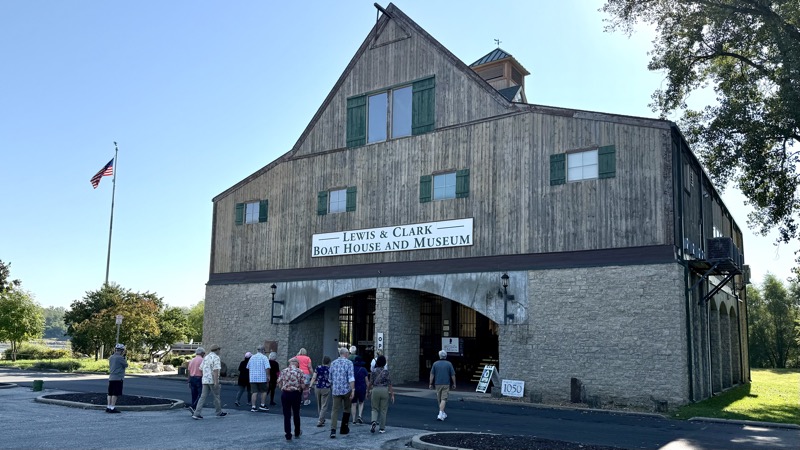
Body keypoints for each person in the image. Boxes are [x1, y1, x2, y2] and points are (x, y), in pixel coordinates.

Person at [193, 344, 227, 419]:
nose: (219, 351)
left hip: (205, 380)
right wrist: (216, 382)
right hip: (212, 380)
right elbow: (216, 370)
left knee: (202, 397)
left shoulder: (206, 357)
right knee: (216, 397)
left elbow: (201, 368)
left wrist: (205, 375)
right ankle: (219, 412)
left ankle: (196, 413)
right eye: (219, 349)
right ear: (217, 350)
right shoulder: (216, 358)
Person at [277, 357, 306, 440]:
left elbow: (279, 383)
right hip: (296, 394)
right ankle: (297, 431)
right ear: (297, 364)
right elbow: (303, 385)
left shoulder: (284, 371)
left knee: (287, 415)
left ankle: (288, 434)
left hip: (285, 394)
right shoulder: (300, 372)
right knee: (296, 413)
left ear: (290, 363)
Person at [328, 346, 355, 439]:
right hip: (346, 389)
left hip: (336, 390)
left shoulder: (333, 363)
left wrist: (333, 386)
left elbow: (330, 378)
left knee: (334, 410)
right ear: (346, 354)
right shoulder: (349, 363)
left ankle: (333, 430)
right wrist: (353, 390)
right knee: (347, 408)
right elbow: (351, 378)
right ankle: (344, 428)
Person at [367, 355, 395, 433]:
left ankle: (373, 421)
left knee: (374, 408)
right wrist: (392, 394)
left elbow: (370, 383)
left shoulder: (373, 371)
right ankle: (382, 428)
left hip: (375, 389)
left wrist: (367, 391)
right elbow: (390, 383)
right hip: (384, 390)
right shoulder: (386, 372)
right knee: (383, 409)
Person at [429, 349, 456, 421]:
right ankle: (441, 413)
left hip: (437, 383)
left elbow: (432, 374)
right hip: (446, 383)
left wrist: (430, 383)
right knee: (444, 398)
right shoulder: (449, 364)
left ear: (439, 356)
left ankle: (442, 412)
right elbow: (452, 375)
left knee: (439, 399)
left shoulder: (435, 364)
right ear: (446, 356)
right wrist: (454, 383)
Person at [309, 355, 332, 427]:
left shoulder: (318, 368)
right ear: (329, 362)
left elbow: (314, 377)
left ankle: (321, 417)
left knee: (319, 403)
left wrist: (310, 386)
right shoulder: (330, 369)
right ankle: (320, 420)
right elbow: (331, 379)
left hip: (318, 386)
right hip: (326, 387)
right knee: (324, 405)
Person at [247, 346, 270, 412]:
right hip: (262, 377)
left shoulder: (252, 357)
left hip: (253, 378)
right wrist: (268, 376)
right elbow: (267, 367)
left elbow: (248, 367)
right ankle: (262, 405)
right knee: (264, 391)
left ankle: (253, 406)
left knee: (254, 392)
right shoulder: (264, 357)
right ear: (263, 351)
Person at [106, 343, 128, 413]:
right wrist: (125, 358)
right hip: (118, 377)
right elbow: (126, 365)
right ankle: (112, 407)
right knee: (115, 394)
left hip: (111, 377)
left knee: (110, 393)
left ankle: (108, 406)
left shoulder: (111, 357)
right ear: (121, 351)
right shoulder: (120, 358)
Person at [186, 347, 205, 413]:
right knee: (201, 395)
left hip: (192, 378)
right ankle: (193, 406)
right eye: (204, 353)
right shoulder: (202, 360)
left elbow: (189, 370)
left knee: (194, 395)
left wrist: (188, 380)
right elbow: (203, 370)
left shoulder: (192, 360)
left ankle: (194, 409)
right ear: (202, 353)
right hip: (199, 378)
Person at [350, 356, 368, 424]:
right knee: (361, 402)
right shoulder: (363, 369)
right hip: (362, 388)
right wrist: (368, 390)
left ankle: (354, 419)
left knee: (353, 404)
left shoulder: (352, 369)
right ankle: (359, 415)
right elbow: (366, 381)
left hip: (354, 388)